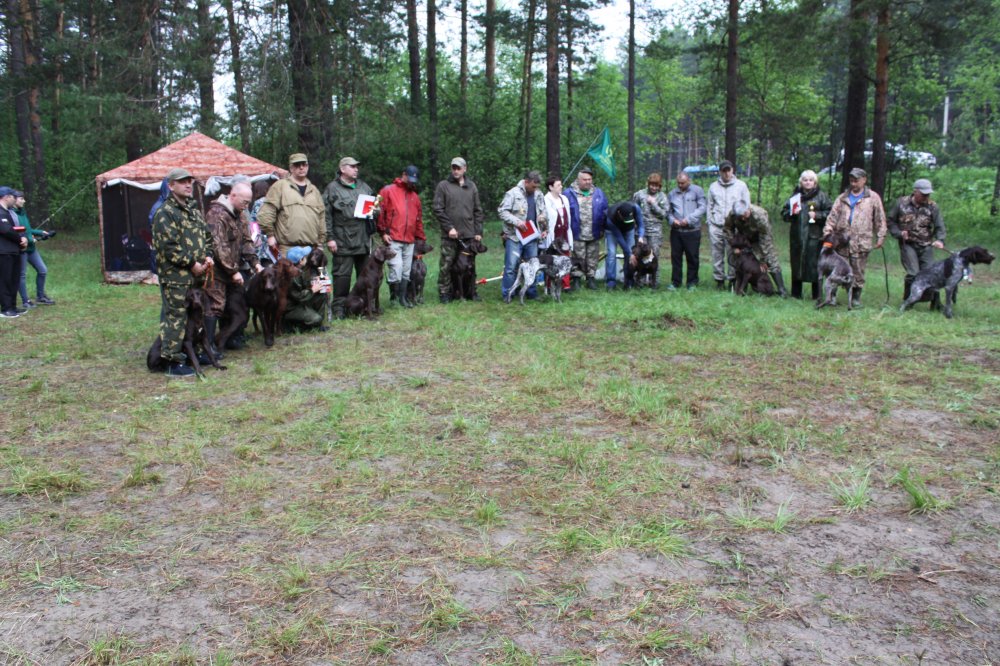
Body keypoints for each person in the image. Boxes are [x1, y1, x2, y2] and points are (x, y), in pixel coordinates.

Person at [150, 168, 215, 376]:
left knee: (195, 315)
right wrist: (191, 263)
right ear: (171, 186)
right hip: (176, 277)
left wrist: (208, 257)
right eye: (182, 181)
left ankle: (195, 352)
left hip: (197, 275)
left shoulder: (193, 211)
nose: (188, 185)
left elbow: (207, 236)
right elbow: (168, 246)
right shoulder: (165, 213)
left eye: (190, 181)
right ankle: (172, 360)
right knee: (176, 317)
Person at [204, 181, 259, 356]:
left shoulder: (240, 215)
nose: (246, 206)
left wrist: (255, 263)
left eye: (249, 202)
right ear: (233, 195)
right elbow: (218, 246)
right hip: (218, 271)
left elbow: (247, 241)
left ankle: (230, 338)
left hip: (234, 269)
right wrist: (233, 271)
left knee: (234, 304)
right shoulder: (216, 214)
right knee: (215, 306)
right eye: (244, 202)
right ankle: (207, 346)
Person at [824, 167, 887, 307]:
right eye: (851, 180)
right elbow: (832, 217)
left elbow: (880, 219)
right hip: (842, 242)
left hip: (861, 242)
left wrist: (881, 236)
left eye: (856, 180)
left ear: (864, 180)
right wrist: (828, 233)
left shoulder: (872, 198)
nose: (853, 183)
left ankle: (855, 298)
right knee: (837, 269)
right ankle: (831, 297)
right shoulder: (842, 198)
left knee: (858, 270)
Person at [324, 156, 376, 319]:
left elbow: (375, 206)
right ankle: (339, 308)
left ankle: (365, 306)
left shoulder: (364, 186)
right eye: (352, 166)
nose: (356, 169)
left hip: (363, 239)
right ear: (342, 169)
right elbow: (326, 215)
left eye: (357, 167)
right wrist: (330, 238)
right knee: (342, 276)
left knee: (366, 276)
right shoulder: (332, 188)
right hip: (343, 240)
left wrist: (375, 210)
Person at [433, 157, 485, 303]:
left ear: (464, 169)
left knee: (470, 266)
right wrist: (449, 228)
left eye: (458, 168)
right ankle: (445, 292)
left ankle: (471, 291)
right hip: (449, 235)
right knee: (447, 264)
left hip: (469, 235)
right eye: (453, 168)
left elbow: (478, 211)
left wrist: (478, 231)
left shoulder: (471, 186)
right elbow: (438, 209)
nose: (455, 171)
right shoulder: (443, 186)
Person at [257, 153, 325, 259]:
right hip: (287, 248)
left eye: (304, 164)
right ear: (291, 168)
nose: (301, 167)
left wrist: (320, 242)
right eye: (297, 165)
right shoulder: (280, 186)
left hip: (311, 249)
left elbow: (321, 217)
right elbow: (267, 211)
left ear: (307, 166)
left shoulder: (314, 190)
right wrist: (270, 235)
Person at [888, 178, 945, 303]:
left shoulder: (933, 206)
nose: (926, 197)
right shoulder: (901, 203)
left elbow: (939, 225)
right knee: (913, 273)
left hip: (926, 244)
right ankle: (908, 300)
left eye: (928, 194)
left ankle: (934, 301)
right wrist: (899, 233)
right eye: (923, 194)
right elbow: (891, 221)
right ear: (915, 191)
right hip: (908, 244)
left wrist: (940, 240)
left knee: (930, 273)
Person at [377, 165, 426, 308]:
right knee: (396, 268)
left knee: (406, 270)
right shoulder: (388, 191)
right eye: (409, 179)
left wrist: (421, 239)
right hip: (393, 238)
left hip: (410, 240)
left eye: (413, 181)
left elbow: (418, 220)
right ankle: (394, 298)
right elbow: (380, 213)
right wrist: (383, 232)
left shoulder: (415, 197)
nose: (411, 182)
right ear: (403, 175)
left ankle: (403, 298)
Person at [781, 170, 833, 300]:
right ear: (801, 182)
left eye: (810, 180)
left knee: (815, 265)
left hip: (814, 238)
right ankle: (796, 294)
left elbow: (831, 213)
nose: (808, 182)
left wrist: (818, 215)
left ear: (815, 182)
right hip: (797, 238)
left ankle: (817, 295)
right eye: (805, 180)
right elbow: (784, 214)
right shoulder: (795, 197)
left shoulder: (821, 196)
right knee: (797, 265)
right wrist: (792, 213)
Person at [498, 171, 547, 300]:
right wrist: (517, 222)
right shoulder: (512, 193)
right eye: (533, 186)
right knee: (511, 266)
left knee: (532, 266)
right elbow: (502, 211)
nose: (535, 189)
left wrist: (543, 220)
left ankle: (531, 292)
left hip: (532, 236)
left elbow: (544, 211)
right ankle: (508, 294)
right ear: (526, 182)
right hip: (514, 236)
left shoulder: (539, 194)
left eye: (537, 187)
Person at [724, 200, 787, 296]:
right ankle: (736, 286)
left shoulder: (760, 215)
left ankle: (782, 290)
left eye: (745, 215)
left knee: (771, 260)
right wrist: (734, 246)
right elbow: (727, 229)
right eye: (740, 216)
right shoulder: (732, 214)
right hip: (743, 239)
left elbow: (765, 238)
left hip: (760, 238)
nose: (743, 218)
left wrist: (763, 259)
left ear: (748, 209)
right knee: (737, 260)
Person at [707, 160, 750, 290]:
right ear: (720, 172)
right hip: (716, 225)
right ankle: (719, 280)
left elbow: (746, 205)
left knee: (733, 253)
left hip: (733, 227)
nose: (726, 173)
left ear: (732, 170)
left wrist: (743, 225)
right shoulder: (713, 187)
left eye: (728, 170)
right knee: (717, 254)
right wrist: (710, 223)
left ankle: (733, 280)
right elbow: (709, 206)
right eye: (724, 171)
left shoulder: (741, 186)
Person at [565, 167, 607, 290]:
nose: (588, 182)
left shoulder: (598, 193)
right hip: (577, 231)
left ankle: (591, 278)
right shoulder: (569, 193)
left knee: (593, 256)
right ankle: (576, 279)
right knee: (578, 257)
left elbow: (605, 210)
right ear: (578, 180)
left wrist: (603, 227)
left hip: (594, 231)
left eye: (589, 179)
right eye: (585, 180)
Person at [666, 171, 706, 290]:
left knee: (692, 257)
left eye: (682, 183)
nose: (680, 185)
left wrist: (688, 220)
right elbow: (668, 211)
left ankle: (692, 282)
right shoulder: (672, 194)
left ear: (689, 180)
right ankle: (676, 282)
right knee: (676, 257)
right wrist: (673, 220)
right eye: (678, 183)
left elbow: (702, 207)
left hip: (692, 230)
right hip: (676, 231)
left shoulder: (697, 191)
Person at [13, 192, 55, 307]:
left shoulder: (22, 212)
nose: (24, 201)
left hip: (31, 249)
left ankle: (40, 297)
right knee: (22, 275)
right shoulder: (12, 214)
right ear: (14, 199)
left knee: (42, 270)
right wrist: (32, 240)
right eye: (21, 199)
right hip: (21, 249)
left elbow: (27, 230)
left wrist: (41, 232)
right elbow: (17, 232)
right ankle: (25, 301)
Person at [632, 173, 669, 286]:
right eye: (651, 185)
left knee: (654, 256)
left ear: (659, 186)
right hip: (641, 231)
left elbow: (664, 214)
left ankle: (654, 281)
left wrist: (654, 204)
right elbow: (632, 210)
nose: (653, 187)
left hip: (655, 232)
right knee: (639, 255)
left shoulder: (662, 197)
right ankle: (640, 281)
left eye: (656, 185)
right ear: (648, 184)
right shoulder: (639, 194)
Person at [283, 245, 328, 330]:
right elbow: (298, 296)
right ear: (301, 261)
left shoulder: (299, 269)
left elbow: (303, 284)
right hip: (291, 308)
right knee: (316, 319)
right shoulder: (291, 276)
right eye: (305, 256)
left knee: (321, 294)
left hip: (299, 302)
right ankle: (291, 326)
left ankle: (318, 325)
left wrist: (314, 281)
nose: (307, 258)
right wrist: (312, 290)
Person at [0, 186, 28, 318]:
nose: (15, 199)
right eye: (13, 197)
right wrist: (20, 238)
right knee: (5, 280)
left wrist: (23, 238)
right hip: (3, 252)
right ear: (6, 197)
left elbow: (14, 229)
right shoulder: (0, 212)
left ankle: (12, 306)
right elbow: (6, 230)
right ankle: (6, 309)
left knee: (13, 280)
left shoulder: (8, 212)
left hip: (13, 250)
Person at [604, 200, 645, 290]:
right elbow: (620, 238)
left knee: (630, 254)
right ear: (619, 214)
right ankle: (611, 282)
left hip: (629, 230)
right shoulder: (611, 215)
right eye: (625, 219)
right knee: (611, 253)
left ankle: (629, 280)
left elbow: (641, 224)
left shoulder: (635, 208)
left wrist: (641, 236)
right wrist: (629, 253)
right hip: (612, 231)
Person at [542, 174, 573, 291]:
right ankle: (549, 285)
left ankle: (565, 284)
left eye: (561, 184)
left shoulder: (564, 199)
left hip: (564, 233)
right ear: (551, 187)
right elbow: (544, 218)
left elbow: (567, 216)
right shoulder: (545, 200)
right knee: (552, 260)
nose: (561, 187)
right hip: (554, 234)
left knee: (565, 258)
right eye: (558, 185)